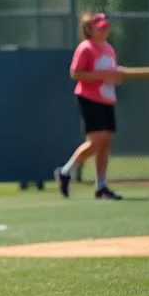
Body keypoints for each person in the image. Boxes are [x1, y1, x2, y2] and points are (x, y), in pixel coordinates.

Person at [55, 12, 123, 200]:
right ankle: (66, 171)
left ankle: (101, 186)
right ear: (89, 30)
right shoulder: (86, 48)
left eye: (106, 27)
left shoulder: (109, 49)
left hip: (107, 99)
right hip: (90, 97)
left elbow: (111, 73)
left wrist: (116, 77)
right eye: (99, 27)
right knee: (96, 140)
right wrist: (105, 76)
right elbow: (76, 73)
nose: (104, 30)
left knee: (106, 142)